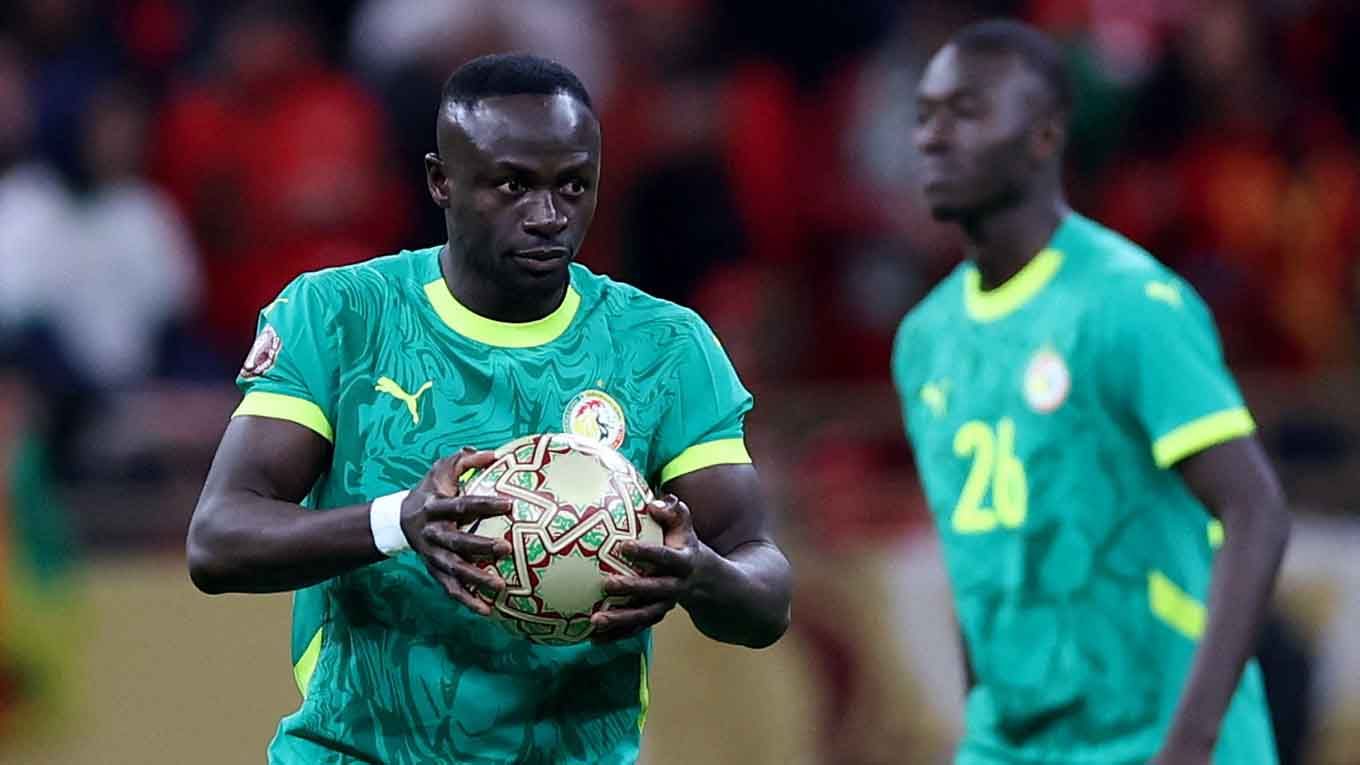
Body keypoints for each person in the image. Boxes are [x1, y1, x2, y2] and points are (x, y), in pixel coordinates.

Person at [186, 53, 792, 764]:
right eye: (513, 185)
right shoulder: (341, 314)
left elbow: (765, 589)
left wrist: (699, 573)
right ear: (440, 180)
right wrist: (399, 523)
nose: (548, 216)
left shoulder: (664, 346)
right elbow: (217, 540)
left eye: (574, 185)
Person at [891, 20, 1290, 765]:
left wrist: (1191, 743)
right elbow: (975, 553)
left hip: (1158, 734)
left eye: (966, 112)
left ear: (1045, 137)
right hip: (1012, 743)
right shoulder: (925, 338)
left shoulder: (1127, 304)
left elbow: (1256, 509)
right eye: (924, 114)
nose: (931, 137)